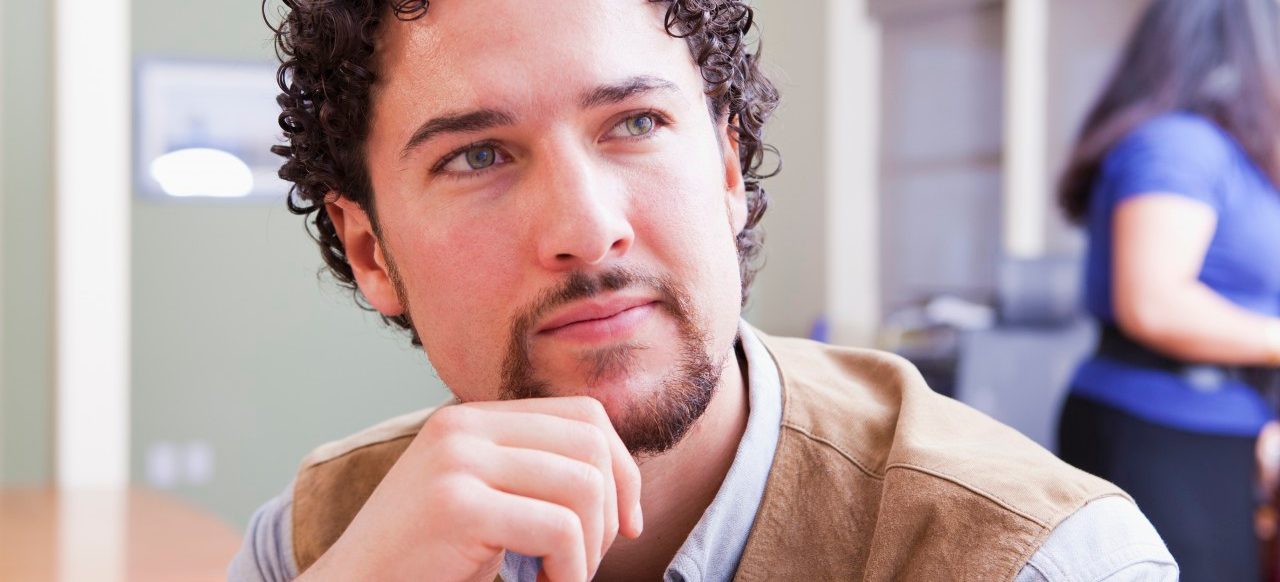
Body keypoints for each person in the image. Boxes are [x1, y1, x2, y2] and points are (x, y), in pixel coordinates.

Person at [230, 0, 1176, 580]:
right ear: (369, 252)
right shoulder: (323, 543)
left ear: (729, 169)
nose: (584, 227)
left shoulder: (1036, 560)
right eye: (478, 155)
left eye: (634, 122)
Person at [1054, 0, 1280, 580]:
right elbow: (1154, 301)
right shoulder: (1178, 144)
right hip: (1157, 429)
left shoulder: (1236, 155)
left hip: (1226, 425)